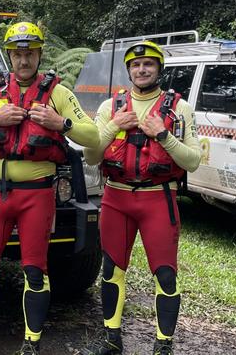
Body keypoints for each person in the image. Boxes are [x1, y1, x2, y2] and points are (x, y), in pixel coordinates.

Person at [0, 22, 100, 355]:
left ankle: (32, 343)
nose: (23, 61)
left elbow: (93, 137)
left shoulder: (58, 94)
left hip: (38, 195)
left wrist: (60, 123)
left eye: (29, 53)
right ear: (9, 56)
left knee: (35, 270)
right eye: (17, 54)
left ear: (39, 54)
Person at [80, 41, 202, 355]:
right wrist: (113, 127)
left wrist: (163, 134)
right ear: (129, 70)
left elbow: (192, 161)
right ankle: (111, 338)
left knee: (165, 273)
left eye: (148, 64)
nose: (142, 69)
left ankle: (163, 345)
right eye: (136, 65)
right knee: (112, 270)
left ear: (159, 68)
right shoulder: (111, 107)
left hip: (158, 199)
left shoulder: (179, 109)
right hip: (116, 198)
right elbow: (91, 156)